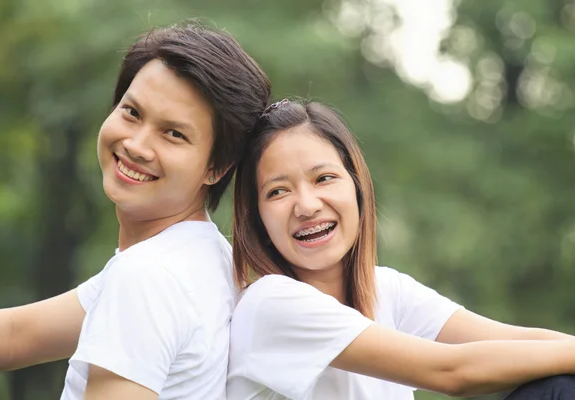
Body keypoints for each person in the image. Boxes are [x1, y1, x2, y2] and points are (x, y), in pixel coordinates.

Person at [0, 22, 270, 399]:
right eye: (131, 112)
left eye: (173, 134)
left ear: (217, 167)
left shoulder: (148, 277)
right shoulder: (202, 256)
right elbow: (18, 335)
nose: (136, 145)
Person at [228, 99, 575, 400]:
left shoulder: (385, 290)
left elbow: (514, 340)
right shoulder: (272, 303)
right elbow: (451, 373)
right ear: (257, 219)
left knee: (559, 383)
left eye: (324, 178)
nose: (306, 205)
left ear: (358, 187)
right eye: (278, 192)